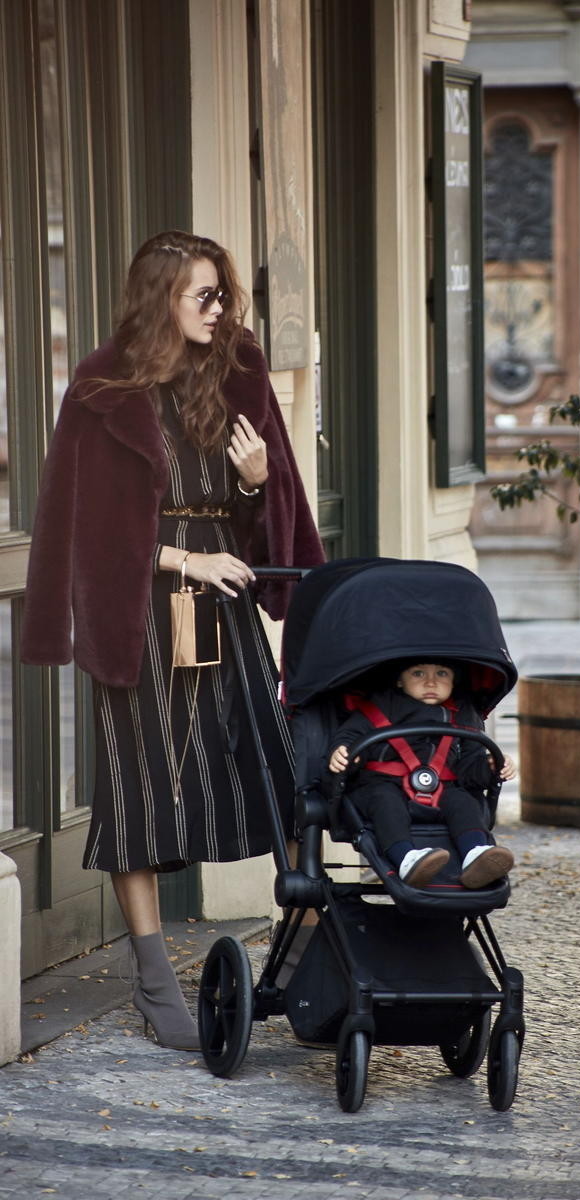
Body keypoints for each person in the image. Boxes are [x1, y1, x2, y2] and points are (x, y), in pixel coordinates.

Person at [21, 230, 324, 1049]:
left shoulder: (239, 369)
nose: (220, 309)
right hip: (139, 612)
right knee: (140, 791)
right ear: (162, 298)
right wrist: (185, 558)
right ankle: (156, 984)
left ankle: (309, 956)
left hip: (224, 600)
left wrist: (257, 481)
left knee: (275, 768)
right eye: (204, 295)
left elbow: (271, 518)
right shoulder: (101, 389)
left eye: (224, 293)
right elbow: (85, 529)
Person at [328, 660, 516, 888]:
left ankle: (475, 853)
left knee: (463, 800)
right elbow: (349, 736)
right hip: (384, 786)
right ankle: (407, 860)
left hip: (443, 791)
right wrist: (346, 754)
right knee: (384, 800)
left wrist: (491, 766)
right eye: (418, 673)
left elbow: (469, 768)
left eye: (442, 673)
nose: (431, 682)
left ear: (454, 680)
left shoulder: (463, 713)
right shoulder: (378, 706)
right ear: (399, 680)